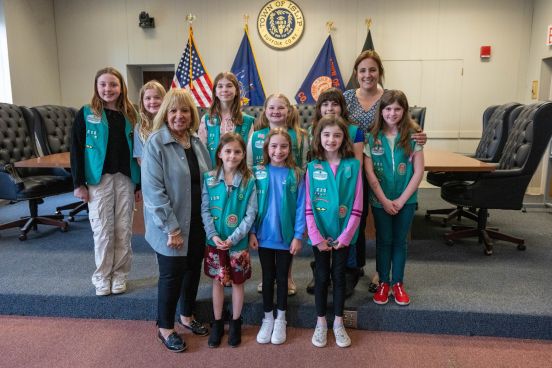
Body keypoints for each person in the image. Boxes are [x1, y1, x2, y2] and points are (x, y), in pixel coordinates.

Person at [344, 50, 427, 294]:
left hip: (389, 166)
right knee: (356, 220)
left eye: (372, 69)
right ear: (356, 74)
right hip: (356, 164)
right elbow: (333, 122)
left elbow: (407, 128)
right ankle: (354, 266)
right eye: (362, 70)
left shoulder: (389, 99)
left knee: (388, 231)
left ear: (380, 72)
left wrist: (420, 135)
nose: (368, 74)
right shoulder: (347, 97)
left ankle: (383, 273)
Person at [141, 88, 211, 353]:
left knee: (193, 269)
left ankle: (186, 315)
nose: (179, 116)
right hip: (170, 226)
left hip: (197, 222)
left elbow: (209, 180)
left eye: (184, 110)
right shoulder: (156, 142)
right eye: (173, 111)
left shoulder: (196, 142)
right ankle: (165, 327)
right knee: (171, 275)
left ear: (191, 114)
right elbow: (153, 192)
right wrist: (171, 228)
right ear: (165, 114)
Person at [70, 66, 141, 297]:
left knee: (123, 229)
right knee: (102, 230)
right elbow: (76, 150)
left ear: (121, 88)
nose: (108, 89)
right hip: (97, 179)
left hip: (125, 178)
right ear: (96, 86)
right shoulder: (86, 113)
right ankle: (102, 277)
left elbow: (139, 152)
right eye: (103, 84)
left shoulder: (132, 114)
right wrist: (78, 183)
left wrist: (138, 184)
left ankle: (120, 275)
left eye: (113, 85)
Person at [306, 115, 363, 348]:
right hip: (320, 234)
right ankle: (321, 323)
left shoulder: (353, 165)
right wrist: (316, 237)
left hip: (343, 235)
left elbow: (357, 204)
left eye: (337, 135)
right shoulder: (312, 166)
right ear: (319, 138)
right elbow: (308, 206)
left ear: (344, 139)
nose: (331, 139)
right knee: (321, 277)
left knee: (339, 277)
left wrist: (346, 236)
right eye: (326, 135)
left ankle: (338, 323)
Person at [364, 90, 424, 306]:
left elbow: (418, 172)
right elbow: (369, 173)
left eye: (397, 109)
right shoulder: (371, 137)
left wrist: (401, 200)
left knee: (400, 242)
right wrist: (384, 199)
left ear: (404, 111)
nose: (392, 113)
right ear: (381, 111)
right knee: (383, 241)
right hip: (380, 200)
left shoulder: (413, 136)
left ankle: (397, 282)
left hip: (405, 201)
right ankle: (384, 282)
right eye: (388, 109)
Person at [249, 128, 306, 345]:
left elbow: (301, 207)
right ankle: (268, 318)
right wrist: (252, 231)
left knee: (282, 278)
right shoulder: (257, 172)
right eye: (273, 146)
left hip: (286, 237)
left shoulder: (297, 174)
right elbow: (251, 205)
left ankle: (281, 318)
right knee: (267, 277)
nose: (278, 151)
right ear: (266, 148)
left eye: (284, 146)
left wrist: (298, 235)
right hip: (263, 236)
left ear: (290, 149)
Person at [247, 92, 307, 296]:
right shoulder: (256, 135)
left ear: (289, 110)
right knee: (268, 235)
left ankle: (288, 276)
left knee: (286, 234)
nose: (276, 111)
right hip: (264, 190)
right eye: (271, 107)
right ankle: (267, 279)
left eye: (281, 107)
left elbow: (305, 163)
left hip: (290, 189)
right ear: (265, 110)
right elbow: (248, 165)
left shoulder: (300, 135)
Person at [306, 88, 364, 295]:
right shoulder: (314, 130)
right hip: (321, 189)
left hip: (347, 186)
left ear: (342, 107)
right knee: (320, 226)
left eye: (334, 104)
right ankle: (320, 271)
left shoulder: (354, 130)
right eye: (325, 104)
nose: (330, 108)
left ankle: (348, 272)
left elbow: (357, 163)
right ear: (319, 109)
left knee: (349, 230)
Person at [201, 132, 258, 348]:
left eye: (237, 152)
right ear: (219, 153)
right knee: (217, 281)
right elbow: (205, 210)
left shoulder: (249, 181)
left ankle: (235, 322)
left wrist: (234, 238)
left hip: (238, 244)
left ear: (243, 154)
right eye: (228, 151)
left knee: (237, 282)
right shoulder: (209, 178)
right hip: (214, 242)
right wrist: (213, 235)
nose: (232, 156)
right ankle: (217, 322)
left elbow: (250, 214)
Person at [198, 72, 255, 165]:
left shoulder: (247, 121)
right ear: (215, 92)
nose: (224, 90)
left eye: (229, 86)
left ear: (237, 91)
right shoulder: (207, 119)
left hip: (239, 172)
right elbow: (202, 151)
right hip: (213, 173)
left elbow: (249, 152)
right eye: (220, 86)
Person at [133, 80, 166, 164]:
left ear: (165, 100)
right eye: (148, 98)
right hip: (150, 174)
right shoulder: (139, 128)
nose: (152, 101)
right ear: (142, 102)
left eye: (157, 97)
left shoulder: (171, 123)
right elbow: (140, 159)